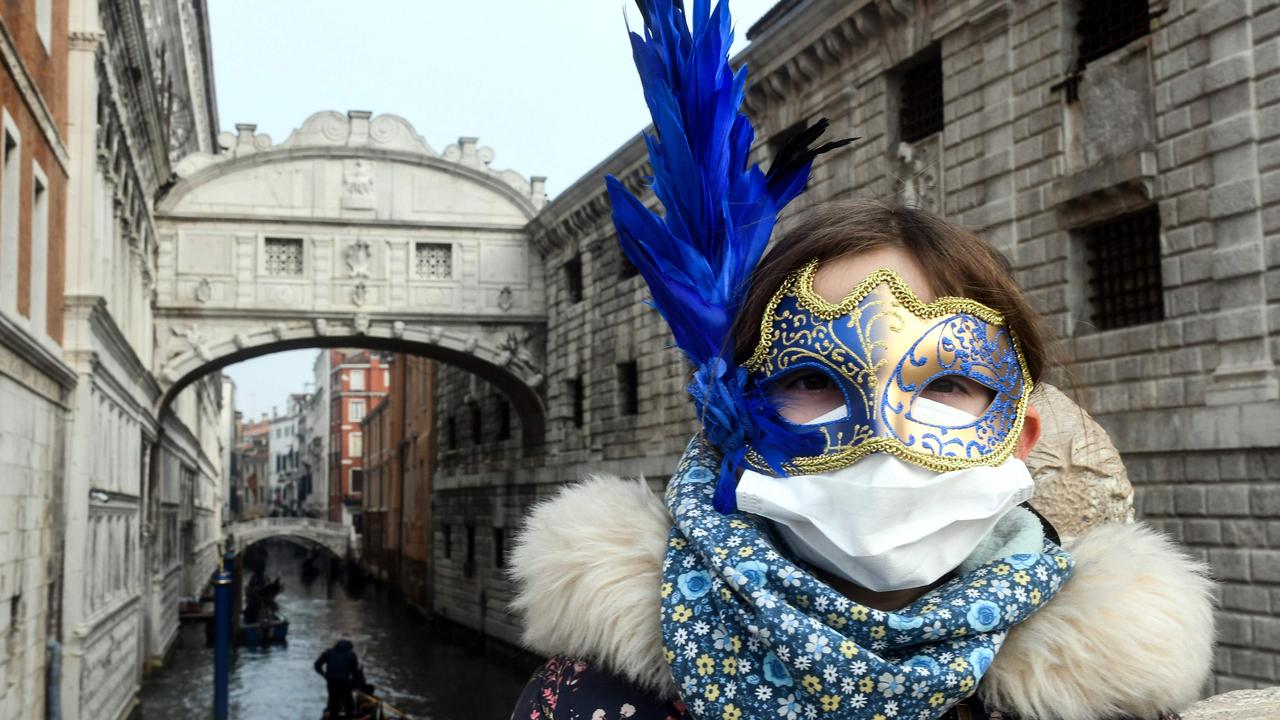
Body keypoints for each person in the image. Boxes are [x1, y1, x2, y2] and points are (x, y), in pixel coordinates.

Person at [509, 2, 1215, 719]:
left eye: (944, 381)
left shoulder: (1095, 695)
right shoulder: (594, 699)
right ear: (733, 418)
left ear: (1020, 434)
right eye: (812, 377)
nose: (881, 432)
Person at [315, 638, 360, 719]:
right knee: (349, 705)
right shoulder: (351, 654)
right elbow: (355, 673)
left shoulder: (328, 652)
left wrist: (324, 675)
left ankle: (333, 716)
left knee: (333, 703)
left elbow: (317, 665)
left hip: (331, 682)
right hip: (344, 682)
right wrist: (354, 685)